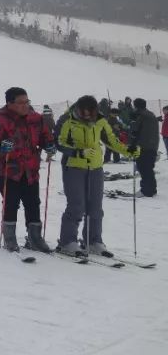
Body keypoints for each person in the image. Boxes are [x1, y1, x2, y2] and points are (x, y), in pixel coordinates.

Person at [54, 95, 135, 256]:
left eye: (90, 112)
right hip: (74, 167)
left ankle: (93, 241)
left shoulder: (101, 121)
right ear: (78, 108)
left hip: (96, 167)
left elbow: (111, 140)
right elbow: (60, 142)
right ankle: (67, 241)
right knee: (77, 205)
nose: (86, 116)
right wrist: (78, 152)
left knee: (95, 207)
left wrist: (128, 150)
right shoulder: (68, 120)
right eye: (83, 112)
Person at [0, 87, 54, 254]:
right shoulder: (1, 119)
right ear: (10, 104)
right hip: (9, 170)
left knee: (33, 203)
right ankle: (10, 238)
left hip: (30, 169)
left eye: (27, 101)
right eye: (21, 102)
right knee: (10, 204)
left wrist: (49, 144)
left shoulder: (35, 118)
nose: (25, 105)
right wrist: (3, 145)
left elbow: (45, 135)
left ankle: (35, 238)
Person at [127, 98, 159, 197]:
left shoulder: (141, 116)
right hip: (152, 145)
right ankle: (152, 189)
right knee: (149, 168)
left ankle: (146, 191)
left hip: (143, 146)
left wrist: (132, 122)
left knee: (144, 168)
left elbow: (134, 131)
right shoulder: (151, 114)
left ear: (136, 106)